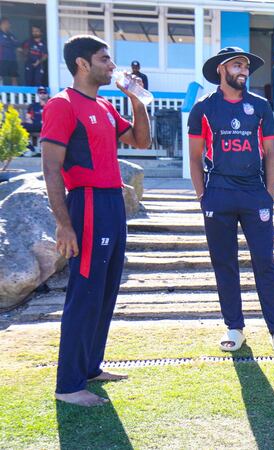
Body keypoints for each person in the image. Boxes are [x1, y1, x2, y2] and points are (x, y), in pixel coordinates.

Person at [40, 35, 151, 407]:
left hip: (112, 204)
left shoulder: (104, 105)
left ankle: (90, 367)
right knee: (84, 294)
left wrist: (136, 98)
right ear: (82, 64)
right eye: (105, 59)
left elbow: (140, 141)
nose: (112, 65)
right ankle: (69, 385)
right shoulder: (62, 104)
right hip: (85, 203)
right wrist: (64, 223)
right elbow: (51, 168)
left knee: (104, 291)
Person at [188, 47, 274, 357]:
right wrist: (201, 195)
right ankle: (234, 327)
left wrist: (269, 194)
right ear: (222, 70)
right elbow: (195, 157)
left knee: (265, 262)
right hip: (217, 193)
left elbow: (271, 154)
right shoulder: (203, 109)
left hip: (254, 194)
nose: (244, 70)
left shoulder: (260, 106)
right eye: (237, 65)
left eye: (246, 65)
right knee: (225, 264)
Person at [22, 86, 48, 153]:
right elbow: (28, 117)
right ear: (38, 94)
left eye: (44, 92)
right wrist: (30, 121)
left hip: (47, 126)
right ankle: (30, 148)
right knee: (21, 127)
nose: (42, 94)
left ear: (47, 94)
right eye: (40, 93)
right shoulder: (33, 106)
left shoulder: (50, 105)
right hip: (35, 125)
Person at [0, 18, 20, 85]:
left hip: (12, 59)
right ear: (3, 23)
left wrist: (11, 43)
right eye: (8, 23)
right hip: (2, 58)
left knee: (14, 77)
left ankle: (16, 94)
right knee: (0, 76)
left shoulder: (11, 35)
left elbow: (17, 43)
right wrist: (12, 43)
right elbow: (3, 42)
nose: (9, 25)